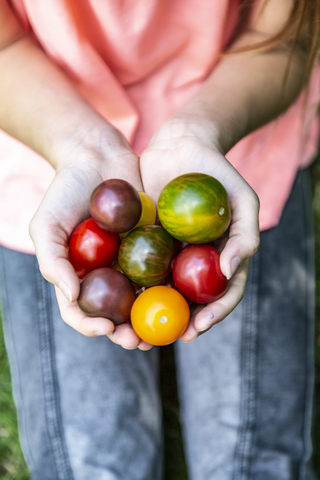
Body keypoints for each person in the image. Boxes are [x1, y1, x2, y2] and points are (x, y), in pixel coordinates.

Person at [0, 0, 319, 478]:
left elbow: (287, 41)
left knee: (256, 465)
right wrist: (78, 146)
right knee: (93, 467)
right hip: (53, 160)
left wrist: (201, 131)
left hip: (231, 161)